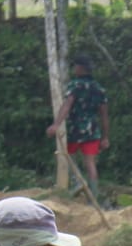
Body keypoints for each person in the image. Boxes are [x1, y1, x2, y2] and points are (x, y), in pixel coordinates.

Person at [45, 54, 109, 198]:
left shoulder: (75, 85)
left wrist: (56, 124)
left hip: (75, 129)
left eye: (75, 66)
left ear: (80, 68)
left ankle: (74, 185)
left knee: (68, 158)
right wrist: (105, 137)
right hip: (92, 130)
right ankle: (94, 195)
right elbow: (104, 115)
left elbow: (67, 104)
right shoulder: (98, 88)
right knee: (90, 163)